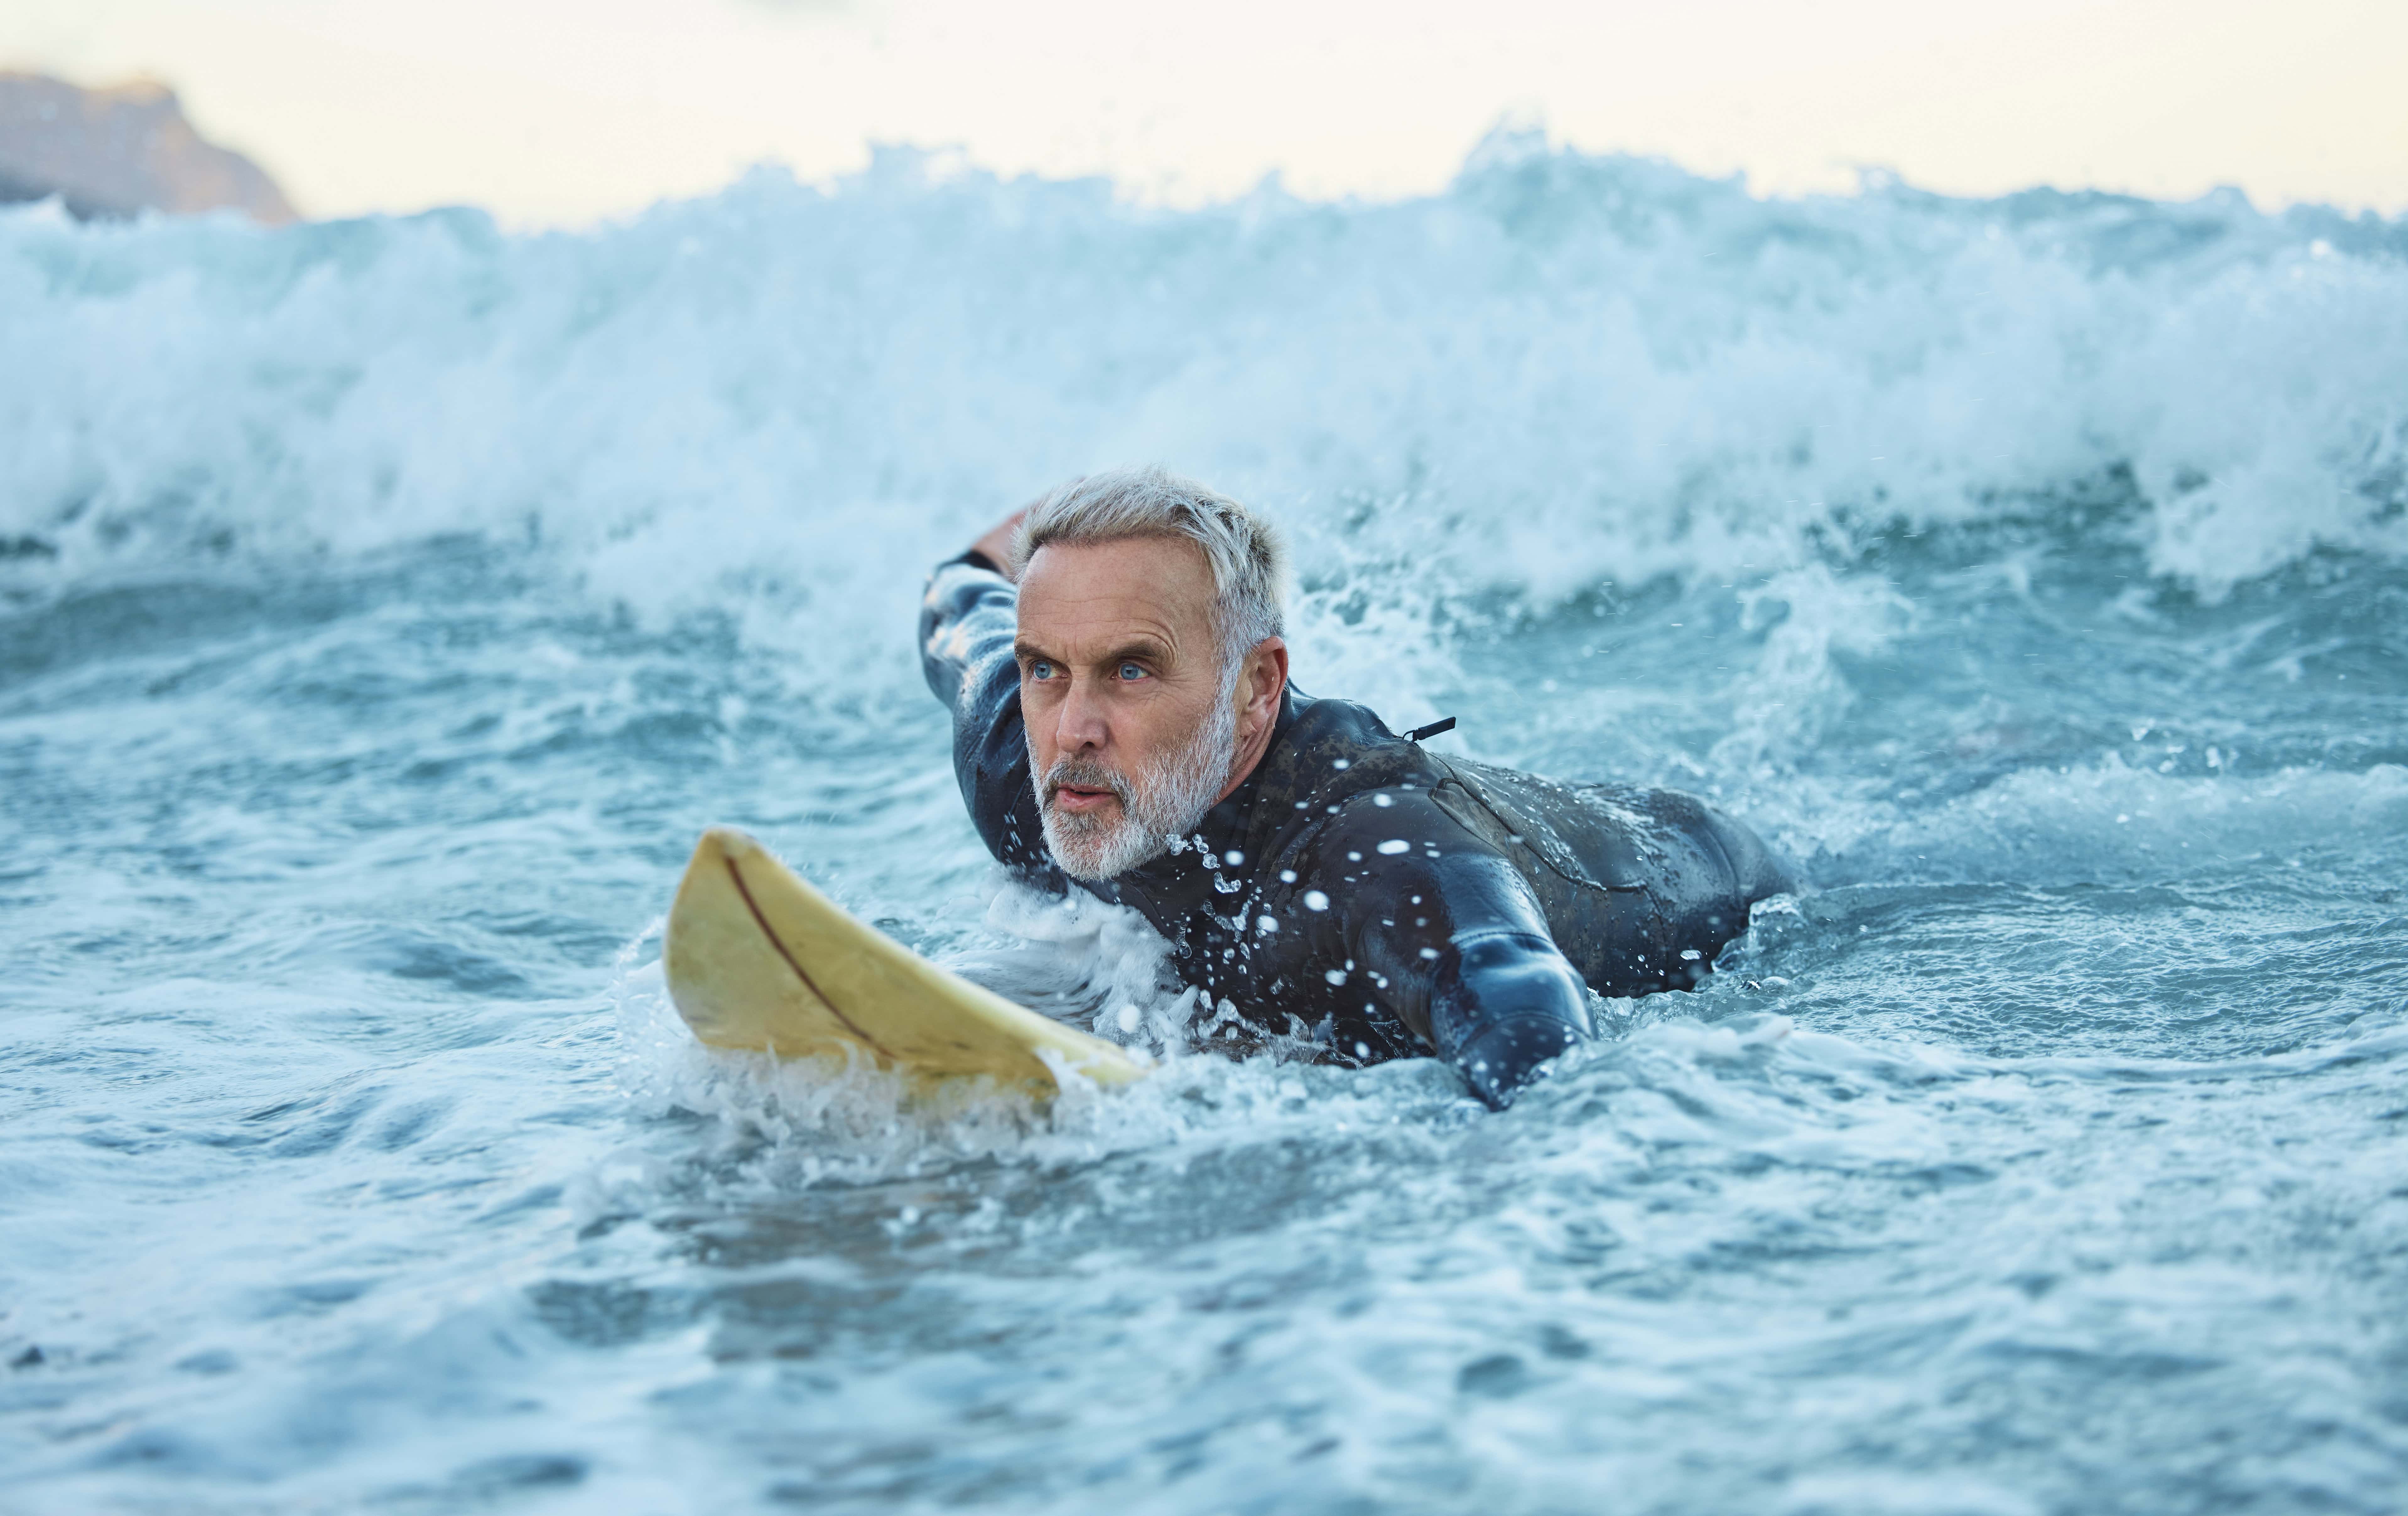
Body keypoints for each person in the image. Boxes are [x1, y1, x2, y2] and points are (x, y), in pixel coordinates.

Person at [919, 467, 1796, 1109]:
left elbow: (1531, 1024)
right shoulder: (1028, 764)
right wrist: (991, 547)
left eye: (1134, 671)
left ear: (1256, 686)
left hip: (1695, 873)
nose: (1074, 724)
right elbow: (960, 608)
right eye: (1046, 668)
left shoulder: (1376, 860)